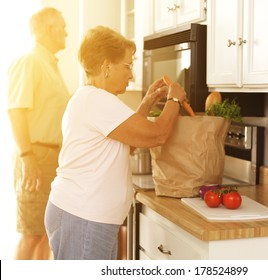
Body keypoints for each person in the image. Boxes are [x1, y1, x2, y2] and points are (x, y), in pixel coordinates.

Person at [44, 25, 187, 260]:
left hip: (86, 218)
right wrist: (174, 99)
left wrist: (147, 102)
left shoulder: (93, 99)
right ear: (106, 66)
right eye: (128, 66)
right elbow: (156, 135)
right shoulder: (97, 100)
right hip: (83, 218)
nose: (131, 75)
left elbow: (128, 142)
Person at [7, 7, 70, 260]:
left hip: (50, 159)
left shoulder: (49, 64)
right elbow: (16, 111)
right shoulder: (30, 61)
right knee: (31, 233)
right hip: (35, 156)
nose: (66, 32)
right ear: (48, 29)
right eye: (62, 27)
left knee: (45, 232)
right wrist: (27, 157)